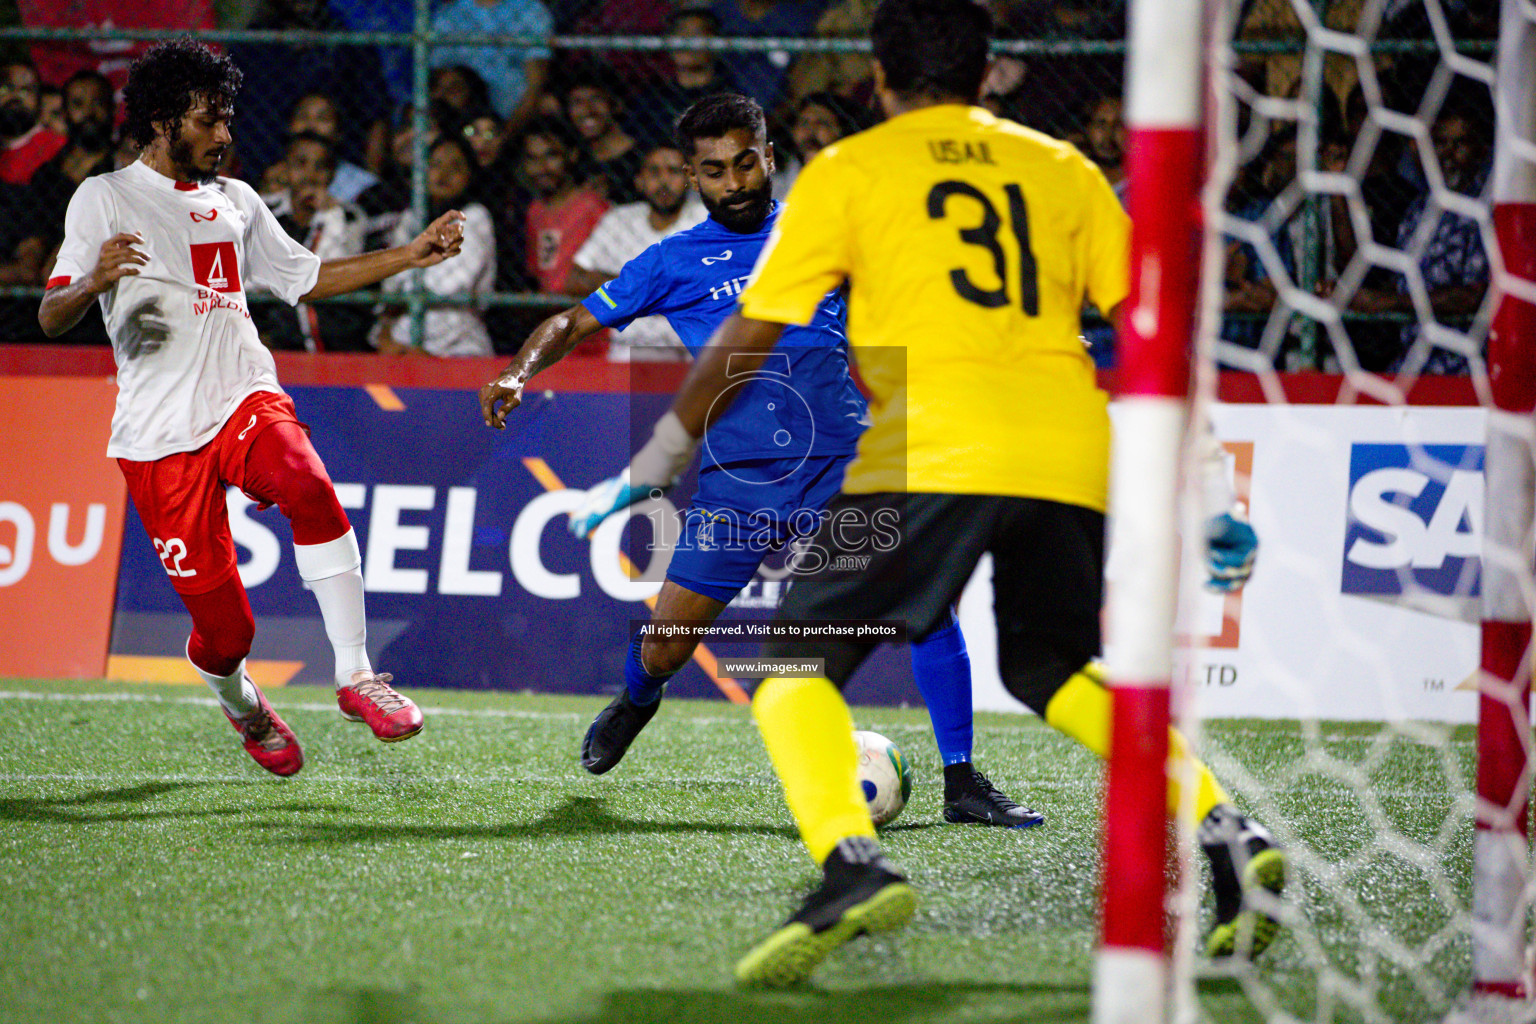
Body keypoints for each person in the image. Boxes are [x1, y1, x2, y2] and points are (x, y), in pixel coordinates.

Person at [600, 0, 1279, 985]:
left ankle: (849, 861)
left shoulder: (847, 175)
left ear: (879, 79)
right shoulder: (1065, 170)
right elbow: (1155, 336)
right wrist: (1211, 485)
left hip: (928, 451)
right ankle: (1226, 825)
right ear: (987, 69)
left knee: (789, 671)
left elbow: (750, 334)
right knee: (1051, 669)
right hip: (1065, 449)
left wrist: (655, 456)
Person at [479, 92, 1046, 831]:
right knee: (664, 645)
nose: (735, 182)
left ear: (769, 156)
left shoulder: (823, 234)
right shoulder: (673, 261)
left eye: (746, 163)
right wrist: (520, 370)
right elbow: (571, 319)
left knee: (926, 605)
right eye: (714, 171)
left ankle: (964, 781)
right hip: (738, 485)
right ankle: (637, 701)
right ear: (692, 176)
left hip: (840, 464)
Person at [37, 38, 464, 775]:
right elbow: (50, 315)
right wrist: (91, 281)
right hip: (157, 433)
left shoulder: (235, 202)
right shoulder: (102, 198)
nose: (226, 135)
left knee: (309, 484)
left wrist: (410, 255)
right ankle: (242, 703)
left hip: (243, 394)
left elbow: (304, 278)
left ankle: (358, 676)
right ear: (164, 121)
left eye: (228, 118)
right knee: (226, 632)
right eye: (209, 120)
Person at [566, 142, 706, 361]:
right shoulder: (620, 219)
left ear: (689, 179)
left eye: (673, 172)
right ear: (639, 181)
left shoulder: (706, 221)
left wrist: (625, 288)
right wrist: (662, 293)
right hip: (626, 350)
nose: (664, 181)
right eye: (654, 172)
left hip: (690, 351)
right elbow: (576, 279)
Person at [374, 135, 497, 357]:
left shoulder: (475, 217)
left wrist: (402, 292)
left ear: (469, 176)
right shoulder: (410, 220)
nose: (444, 174)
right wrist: (385, 336)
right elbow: (389, 287)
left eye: (455, 167)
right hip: (402, 342)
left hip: (458, 343)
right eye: (435, 165)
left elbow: (449, 285)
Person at [259, 132, 370, 353]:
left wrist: (329, 215)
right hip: (268, 318)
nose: (310, 174)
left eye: (320, 167)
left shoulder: (349, 216)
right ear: (285, 168)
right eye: (301, 163)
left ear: (332, 174)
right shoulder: (262, 209)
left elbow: (332, 275)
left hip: (327, 322)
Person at [518, 118, 609, 295]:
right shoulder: (534, 210)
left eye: (551, 156)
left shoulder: (593, 207)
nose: (542, 167)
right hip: (550, 313)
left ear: (572, 155)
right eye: (532, 158)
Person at [429, 0, 553, 131]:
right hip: (460, 116)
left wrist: (504, 138)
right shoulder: (451, 13)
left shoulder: (530, 10)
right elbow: (437, 74)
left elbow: (535, 85)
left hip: (515, 118)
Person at [0, 60, 65, 186]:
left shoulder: (56, 147)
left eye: (26, 90)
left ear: (39, 99)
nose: (14, 96)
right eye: (5, 88)